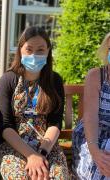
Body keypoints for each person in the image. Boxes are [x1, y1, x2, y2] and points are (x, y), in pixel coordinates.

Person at [0, 26, 69, 179]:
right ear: (20, 50)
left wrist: (42, 153)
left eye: (40, 50)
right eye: (29, 49)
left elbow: (55, 123)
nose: (34, 55)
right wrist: (31, 155)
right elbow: (5, 126)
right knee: (19, 176)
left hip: (45, 146)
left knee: (57, 176)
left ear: (48, 51)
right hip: (11, 145)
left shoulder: (55, 80)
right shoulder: (8, 79)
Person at [72, 32, 110, 179]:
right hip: (92, 136)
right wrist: (95, 153)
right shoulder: (96, 76)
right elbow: (90, 118)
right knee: (101, 166)